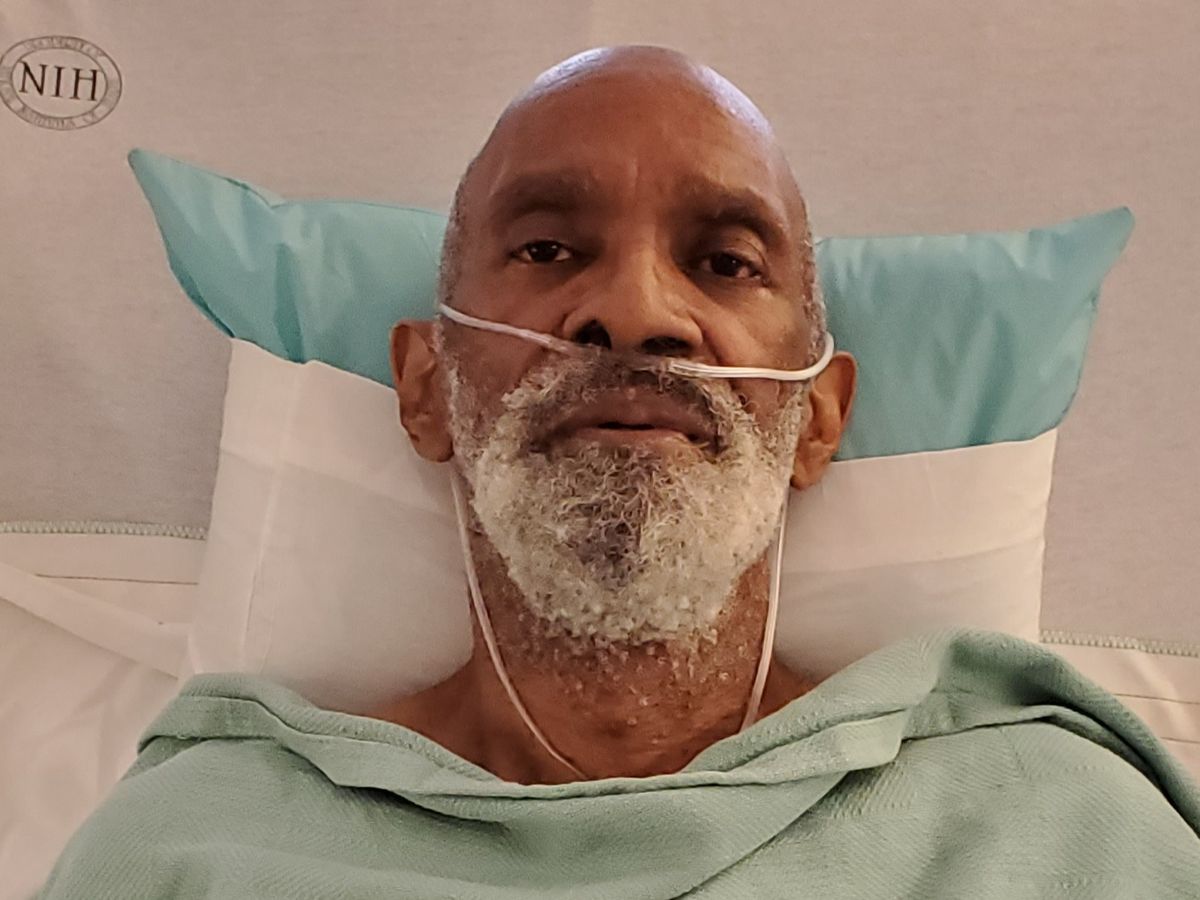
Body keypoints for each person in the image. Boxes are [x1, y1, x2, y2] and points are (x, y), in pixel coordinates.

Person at [39, 47, 1200, 899]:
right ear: (427, 387)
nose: (639, 312)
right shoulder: (196, 848)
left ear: (818, 419)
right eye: (548, 248)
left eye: (724, 261)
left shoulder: (1061, 830)